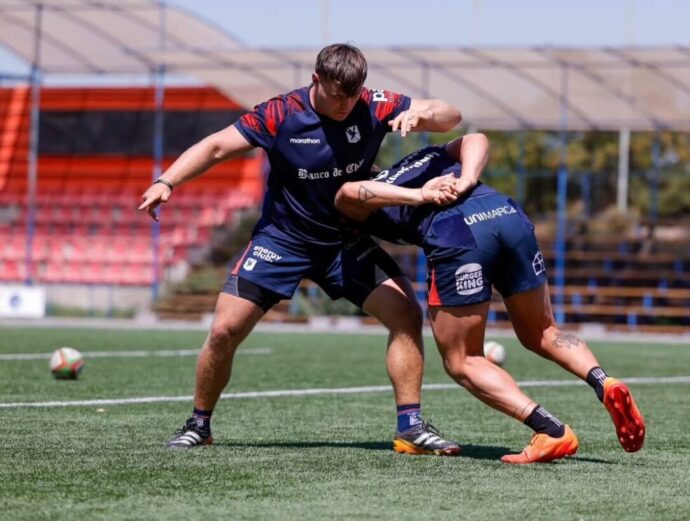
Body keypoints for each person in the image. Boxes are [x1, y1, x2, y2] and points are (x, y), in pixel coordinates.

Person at [138, 43, 463, 454]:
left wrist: (424, 114)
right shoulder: (279, 113)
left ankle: (410, 427)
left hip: (343, 239)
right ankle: (199, 425)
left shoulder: (374, 104)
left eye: (353, 94)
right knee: (223, 330)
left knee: (405, 313)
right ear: (316, 80)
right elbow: (217, 146)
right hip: (282, 239)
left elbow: (451, 114)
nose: (346, 104)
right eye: (336, 94)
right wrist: (167, 181)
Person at [334, 133, 646, 464]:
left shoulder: (362, 198)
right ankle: (603, 381)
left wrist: (414, 196)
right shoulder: (422, 157)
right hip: (507, 214)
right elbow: (475, 138)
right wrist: (468, 177)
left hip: (458, 234)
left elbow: (347, 194)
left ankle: (551, 431)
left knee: (462, 360)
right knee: (543, 331)